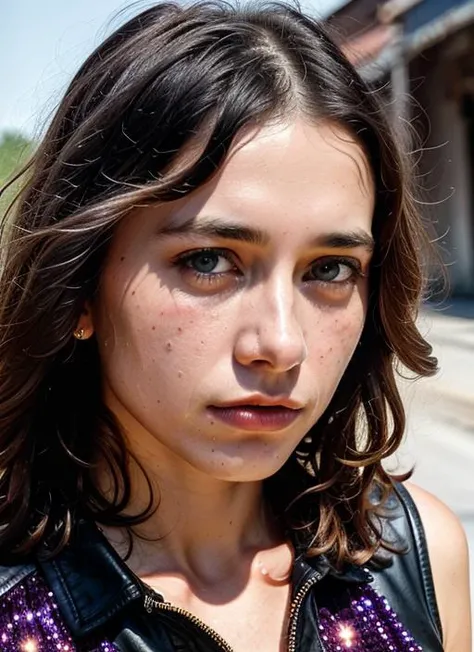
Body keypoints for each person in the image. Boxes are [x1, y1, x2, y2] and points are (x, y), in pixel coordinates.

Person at [0, 2, 470, 650]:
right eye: (209, 261)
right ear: (78, 287)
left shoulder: (415, 563)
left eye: (330, 269)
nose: (281, 343)